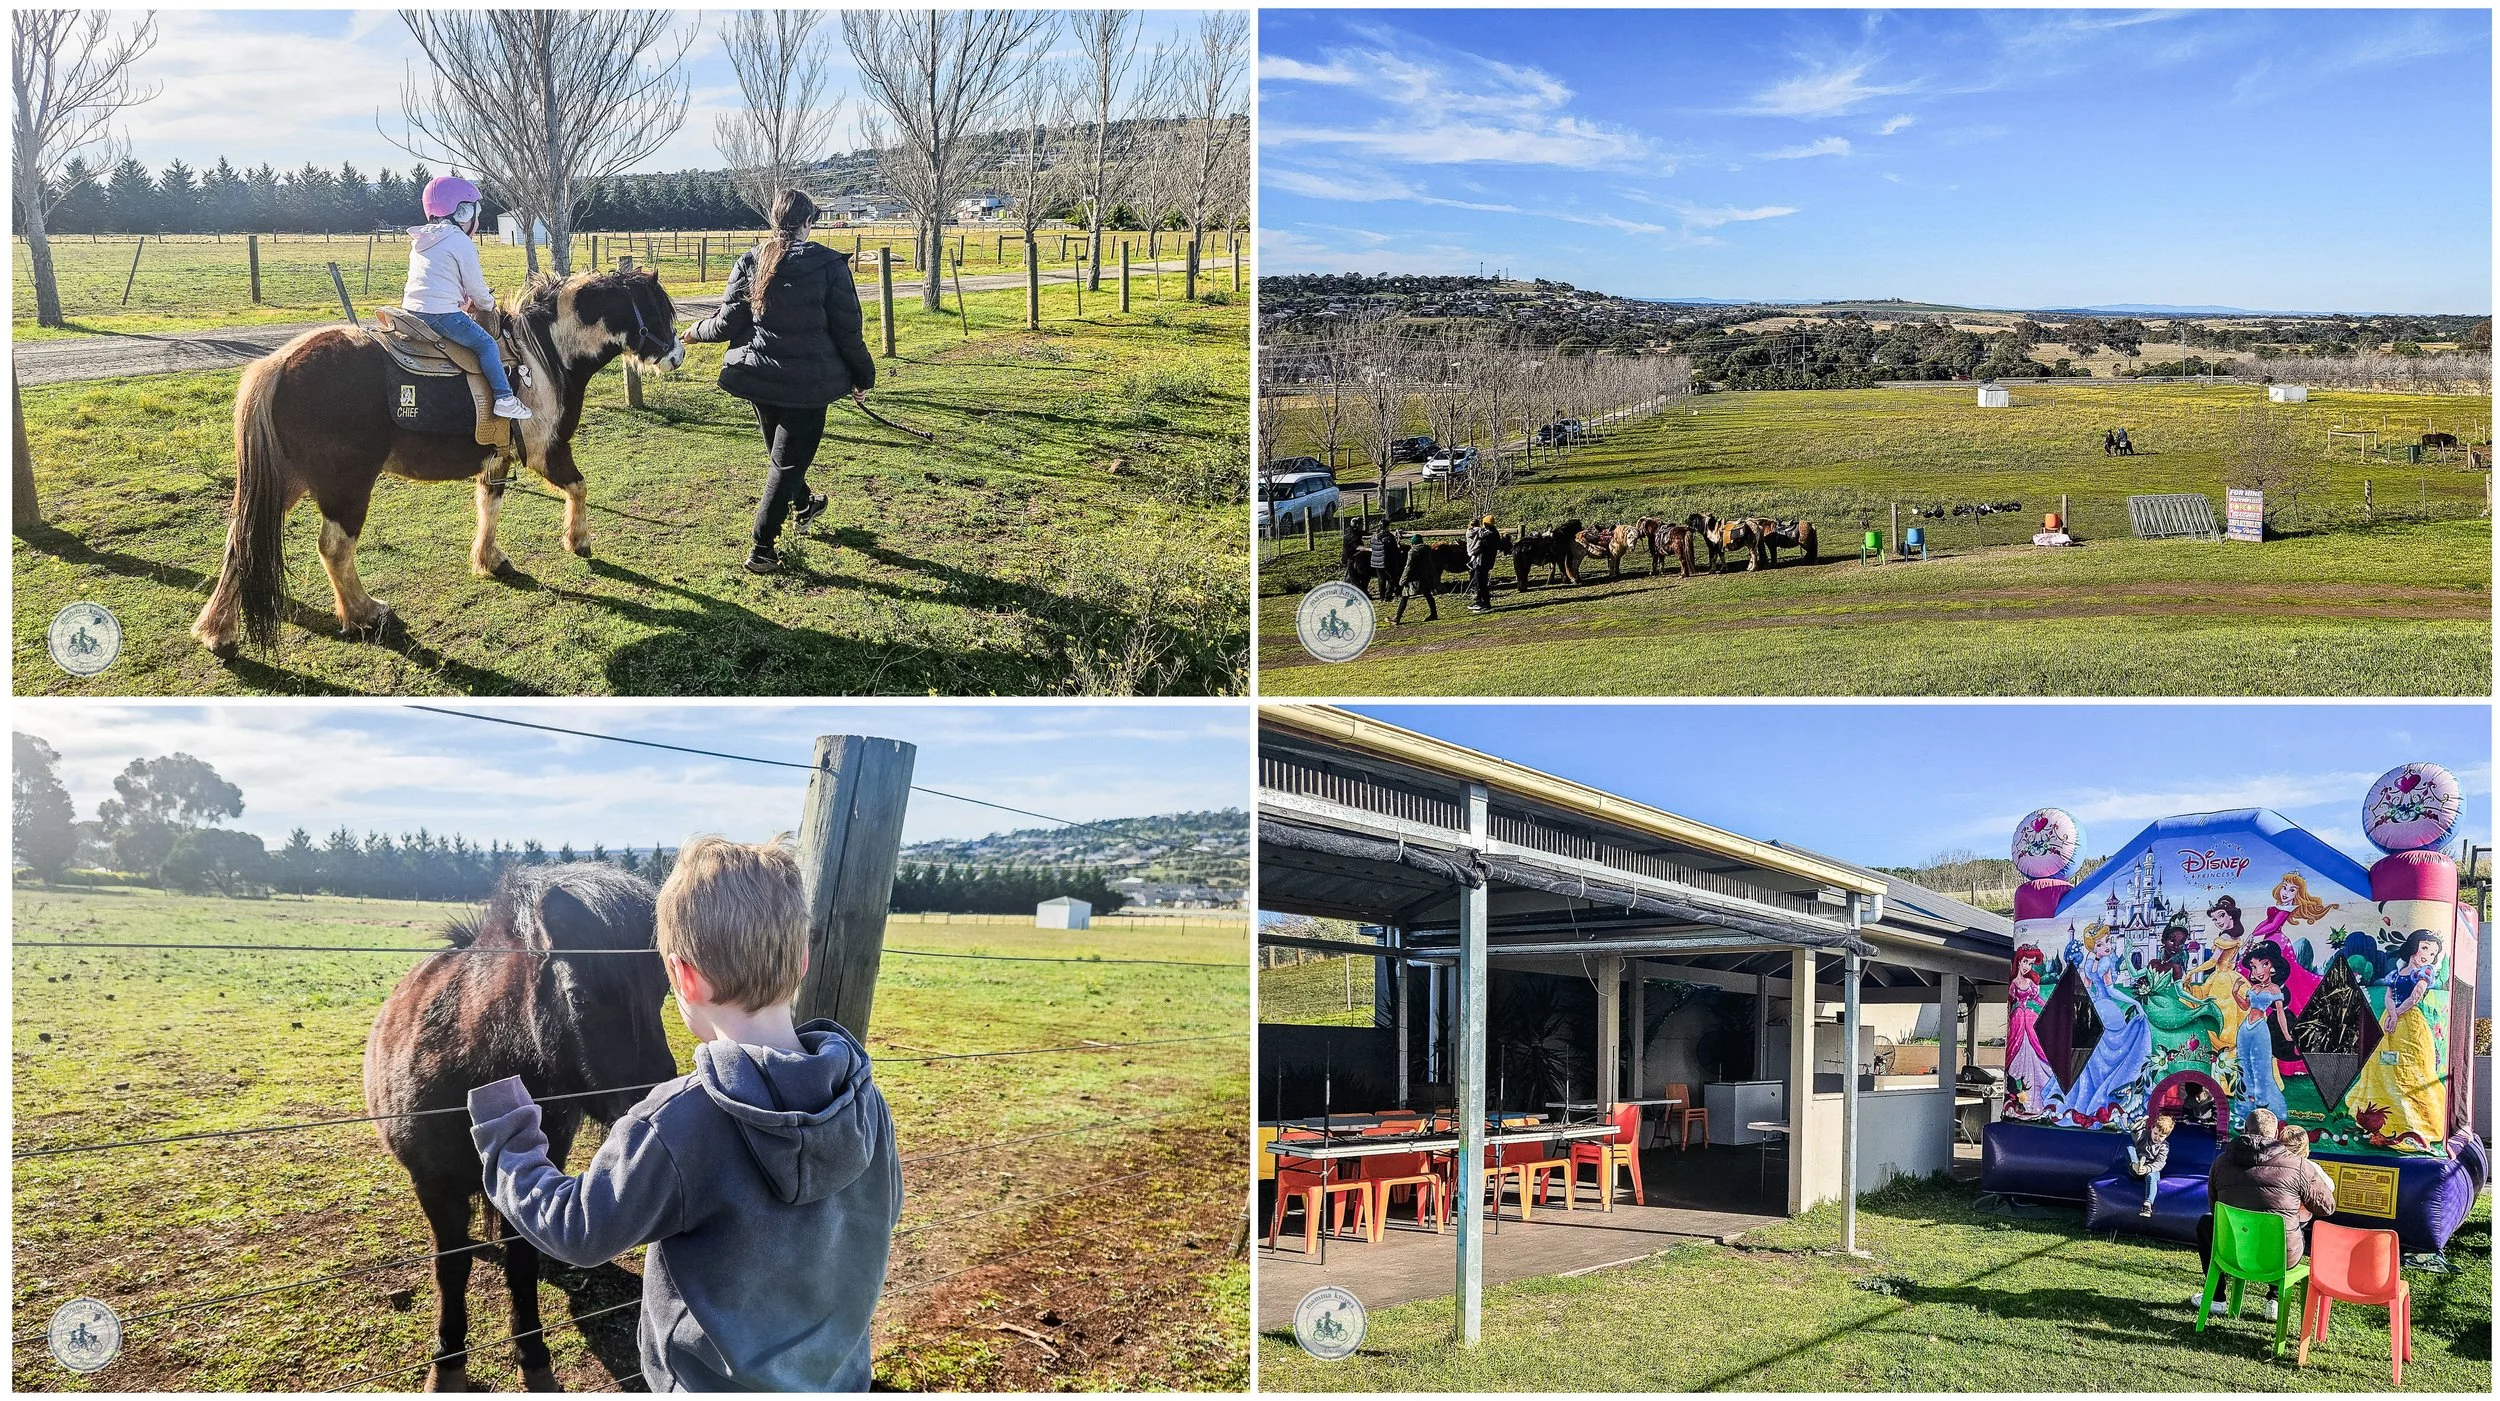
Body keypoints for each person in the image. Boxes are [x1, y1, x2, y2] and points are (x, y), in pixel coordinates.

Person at [467, 836, 902, 1390]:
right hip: (838, 1381)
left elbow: (578, 1231)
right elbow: (884, 1210)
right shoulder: (863, 1098)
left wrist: (508, 1134)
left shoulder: (676, 1122)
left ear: (681, 976)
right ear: (802, 961)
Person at [684, 189, 878, 574]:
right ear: (807, 222)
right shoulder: (828, 265)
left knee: (783, 458)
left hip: (761, 382)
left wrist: (695, 331)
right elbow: (848, 331)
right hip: (807, 387)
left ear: (774, 220)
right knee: (786, 464)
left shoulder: (751, 260)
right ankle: (762, 549)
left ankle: (804, 506)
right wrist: (863, 377)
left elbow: (726, 323)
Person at [402, 175, 531, 421]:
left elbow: (437, 280)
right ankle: (504, 398)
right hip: (440, 314)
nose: (477, 221)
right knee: (486, 344)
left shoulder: (422, 239)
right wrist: (488, 304)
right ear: (462, 212)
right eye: (475, 212)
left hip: (411, 311)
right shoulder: (459, 241)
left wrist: (462, 302)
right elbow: (476, 288)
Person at [2195, 1107, 2335, 1318]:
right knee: (2289, 1227)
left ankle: (2216, 1298)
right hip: (2280, 1257)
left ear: (2244, 1130)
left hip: (2233, 1252)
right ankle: (2275, 1300)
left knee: (2205, 1223)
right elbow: (2326, 1207)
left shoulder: (2220, 1162)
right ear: (2276, 1134)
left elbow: (2215, 1208)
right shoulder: (2299, 1166)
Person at [2127, 1114, 2175, 1216]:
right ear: (2152, 1128)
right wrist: (2136, 1125)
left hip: (2149, 1169)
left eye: (2161, 1136)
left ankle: (2148, 1204)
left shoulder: (2164, 1147)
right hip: (2136, 1167)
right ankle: (2135, 1164)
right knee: (2129, 1148)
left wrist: (2147, 1168)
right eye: (2155, 1133)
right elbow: (2134, 1132)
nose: (2157, 1137)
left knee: (2152, 1177)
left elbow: (2160, 1163)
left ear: (2167, 1136)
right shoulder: (2144, 1134)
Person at [1394, 533, 1441, 624]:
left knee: (1404, 596)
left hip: (1413, 578)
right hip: (1425, 577)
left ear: (1413, 543)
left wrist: (1402, 580)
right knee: (1428, 595)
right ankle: (1434, 614)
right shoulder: (1427, 550)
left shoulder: (1412, 552)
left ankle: (1397, 617)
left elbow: (1408, 567)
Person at [1464, 515, 1501, 614]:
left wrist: (1473, 552)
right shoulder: (1493, 533)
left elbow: (1482, 548)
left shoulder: (1488, 535)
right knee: (1480, 581)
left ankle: (1484, 603)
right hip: (1486, 561)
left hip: (1482, 562)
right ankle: (1479, 601)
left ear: (1484, 523)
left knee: (1481, 582)